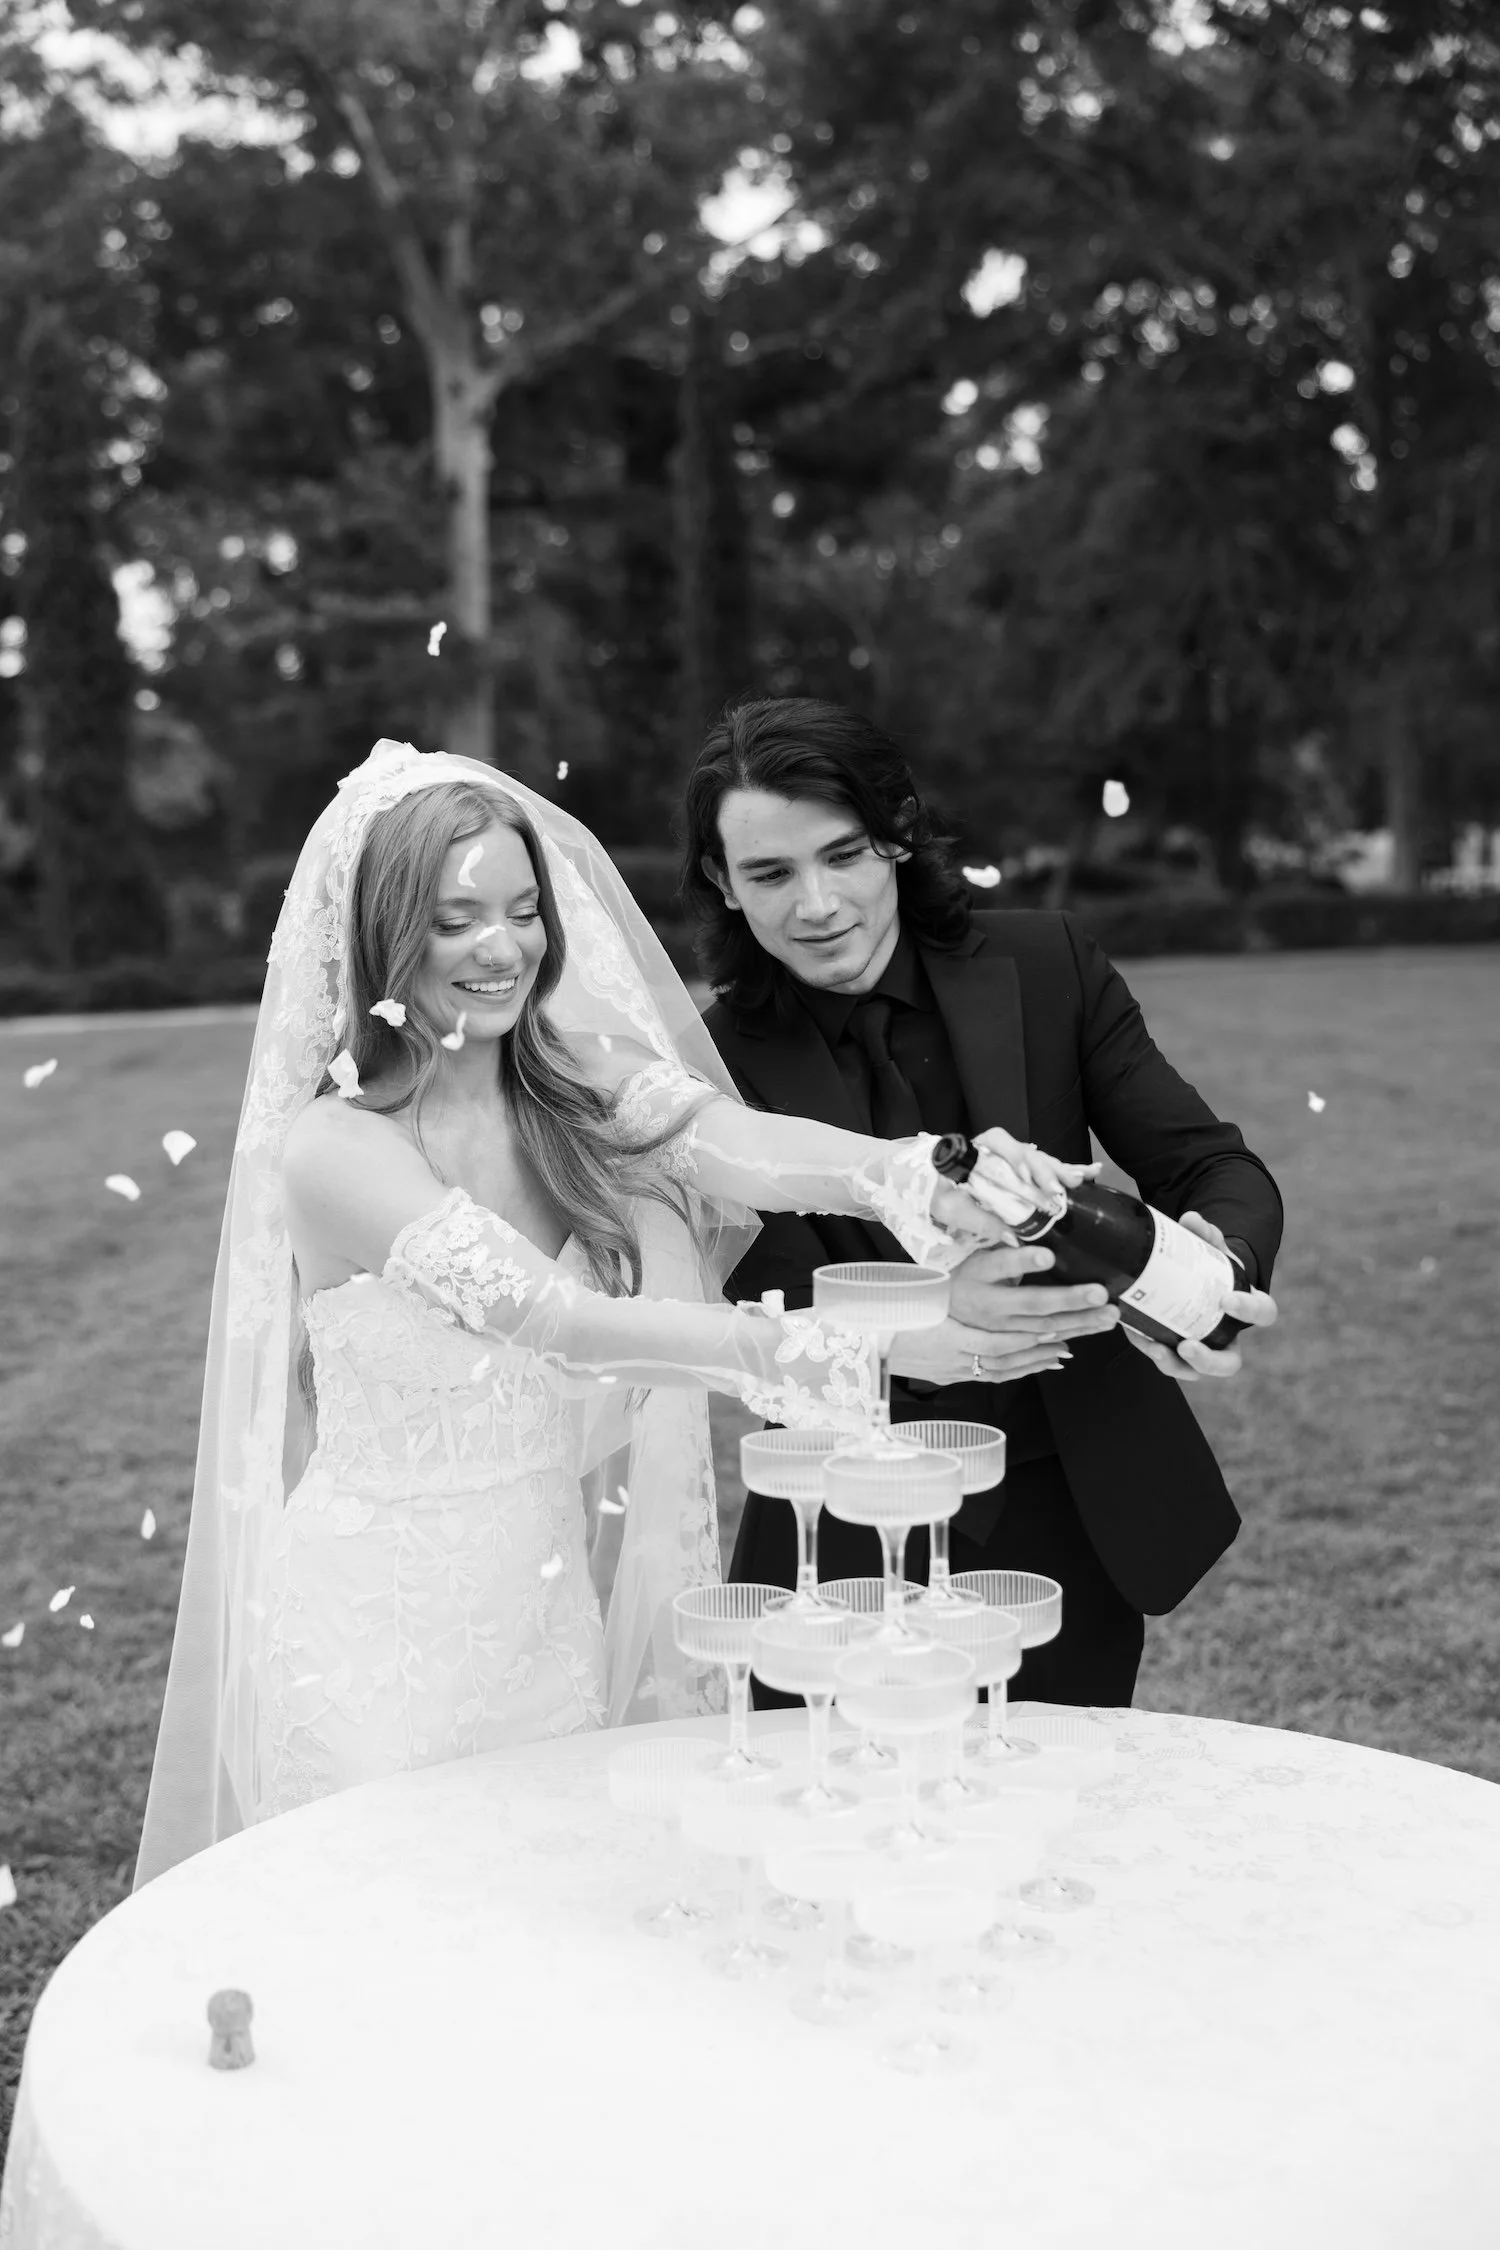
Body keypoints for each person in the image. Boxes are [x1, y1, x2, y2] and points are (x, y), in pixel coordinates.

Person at [134, 739, 1052, 1886]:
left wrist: (919, 1174)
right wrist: (840, 1349)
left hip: (539, 1601)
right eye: (456, 917)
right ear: (382, 933)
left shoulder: (577, 1080)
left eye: (524, 911)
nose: (505, 947)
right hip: (375, 1629)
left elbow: (747, 1150)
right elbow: (560, 1324)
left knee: (546, 1916)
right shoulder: (339, 1149)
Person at [682, 698, 1283, 1709]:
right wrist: (934, 1308)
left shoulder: (1050, 964)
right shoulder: (705, 1071)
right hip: (842, 1513)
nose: (818, 904)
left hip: (1074, 1494)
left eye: (845, 856)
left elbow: (1209, 1166)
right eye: (771, 873)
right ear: (722, 885)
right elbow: (754, 1308)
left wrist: (1220, 1266)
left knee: (1051, 1817)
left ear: (899, 838)